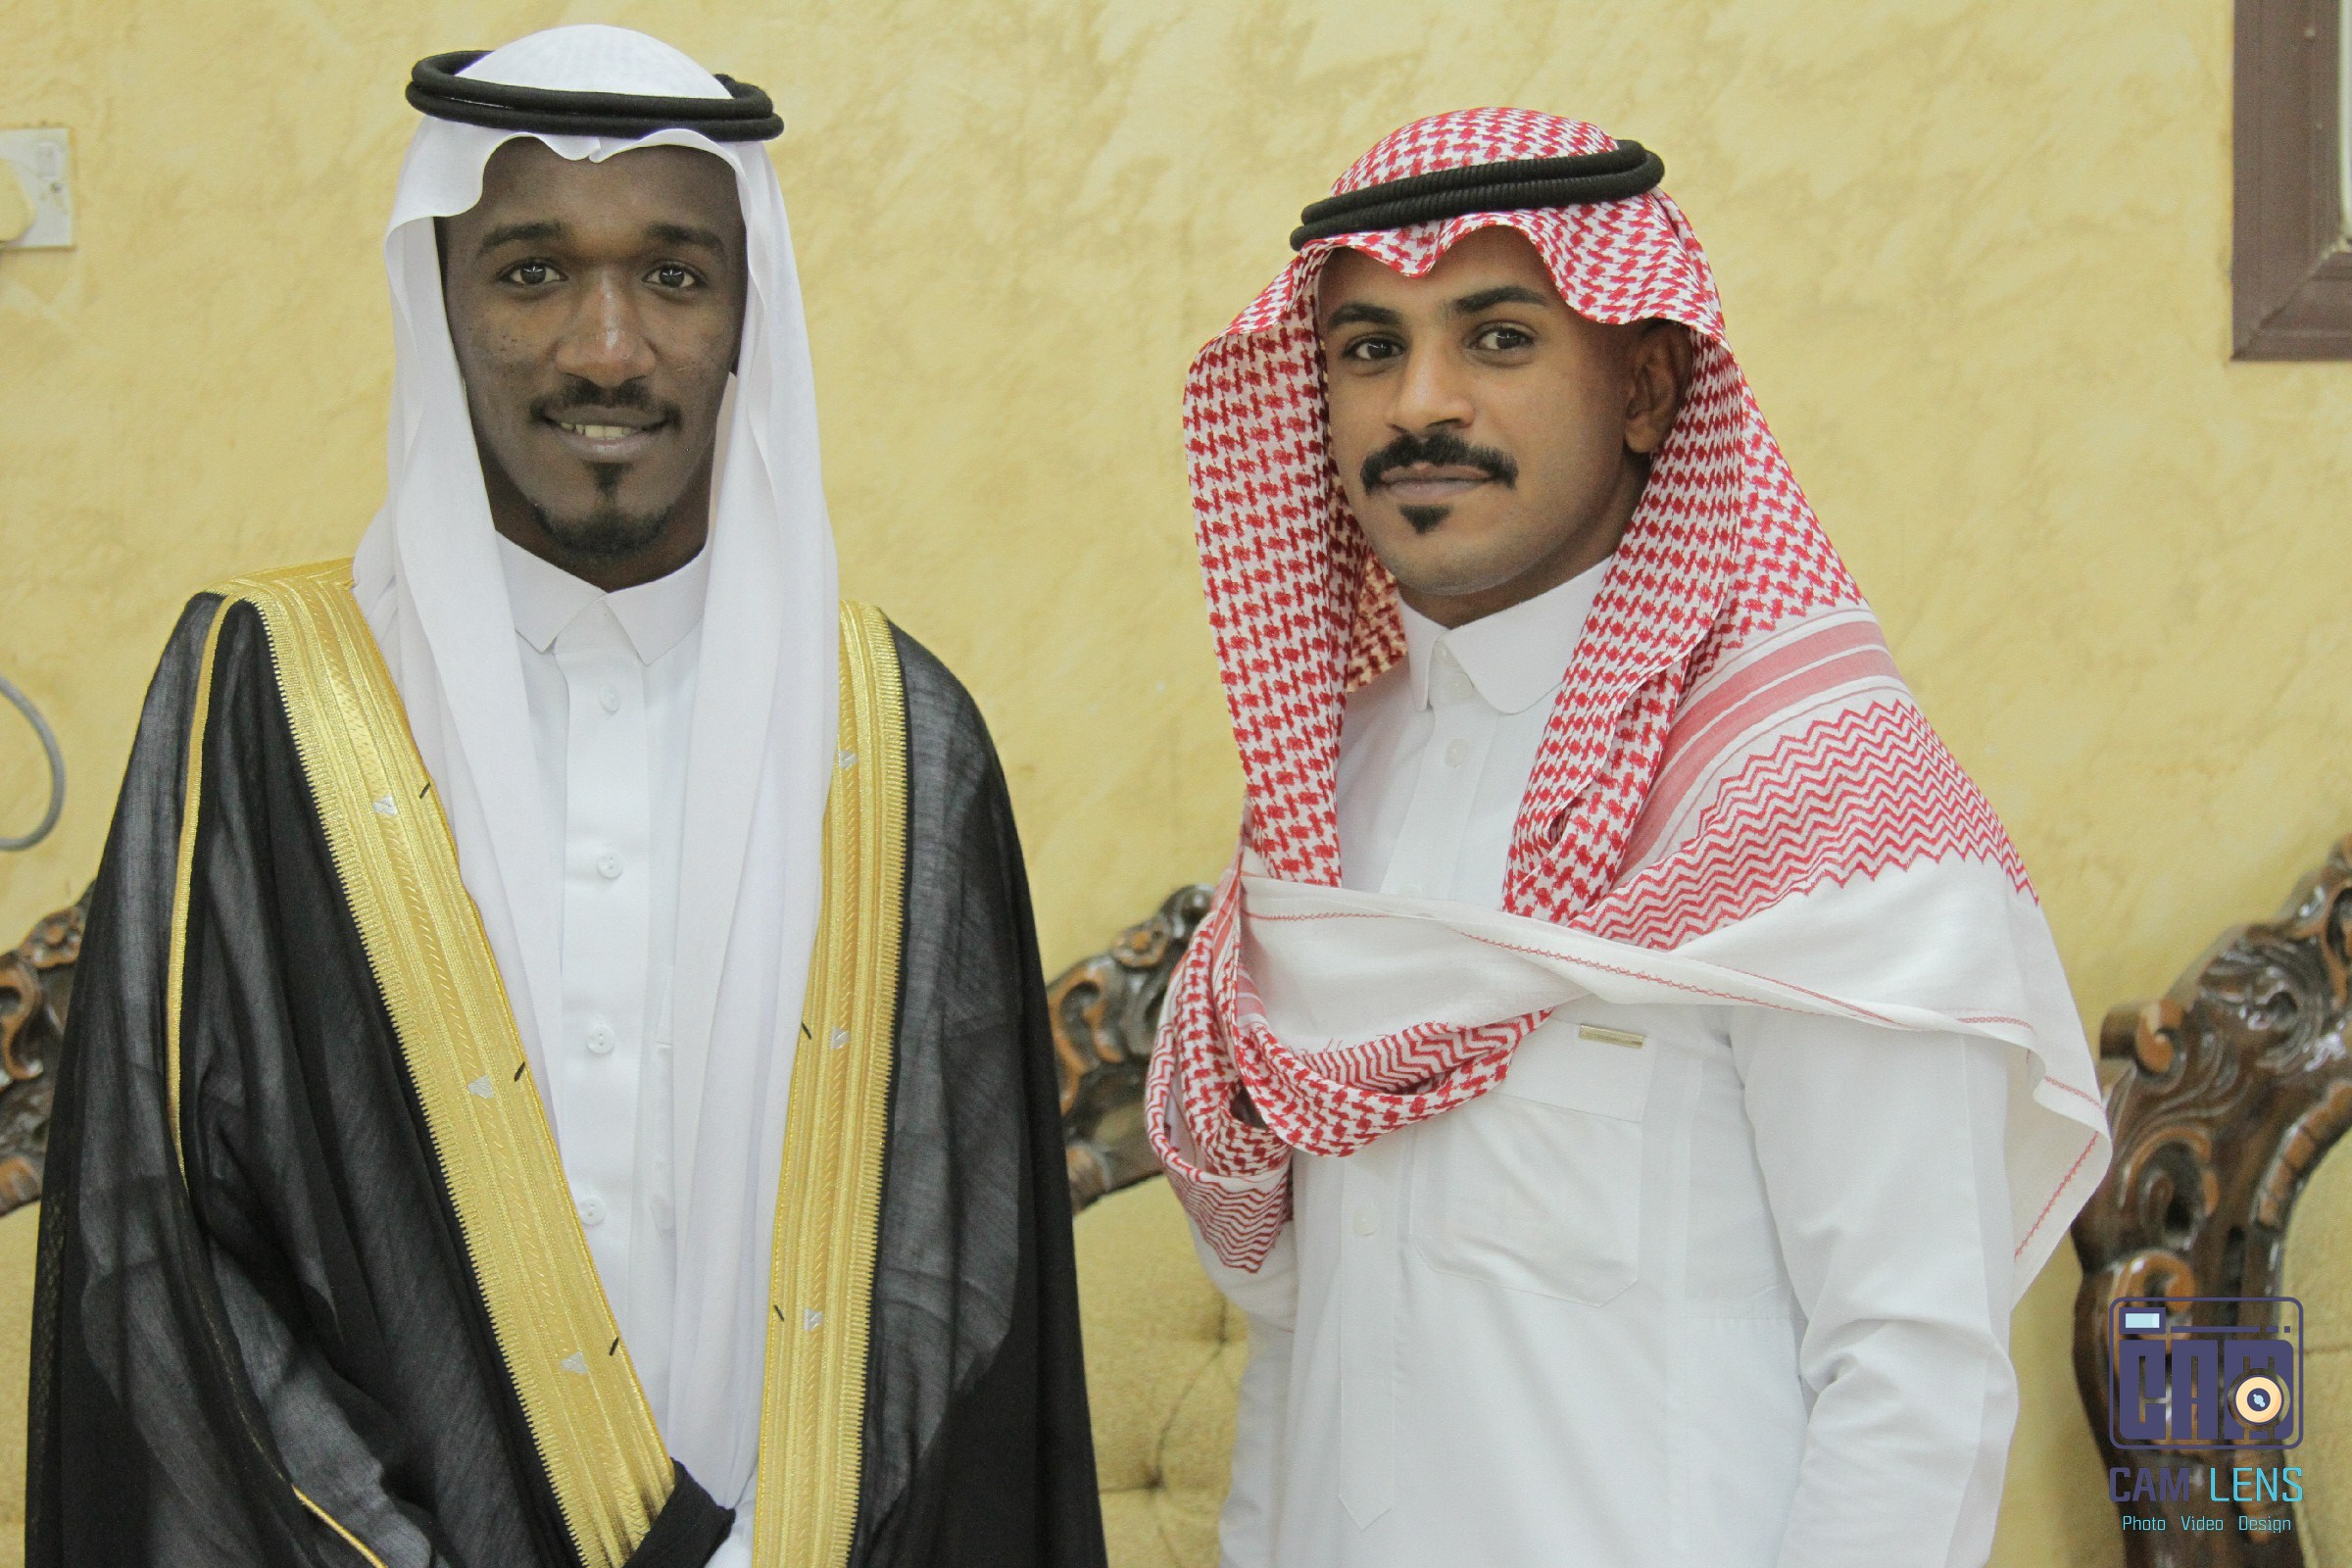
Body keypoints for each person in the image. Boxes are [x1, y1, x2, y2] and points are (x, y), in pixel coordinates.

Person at [28, 26, 1104, 1568]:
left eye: (675, 275)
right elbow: (162, 1234)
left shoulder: (898, 733)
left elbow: (959, 1239)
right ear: (441, 302)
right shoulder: (260, 694)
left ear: (748, 313)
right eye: (532, 272)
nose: (607, 349)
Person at [1147, 110, 2111, 1568]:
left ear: (1649, 386)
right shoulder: (1324, 793)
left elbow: (1912, 1377)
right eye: (1368, 348)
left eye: (1500, 338)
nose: (1419, 404)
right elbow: (1304, 1339)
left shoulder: (1815, 796)